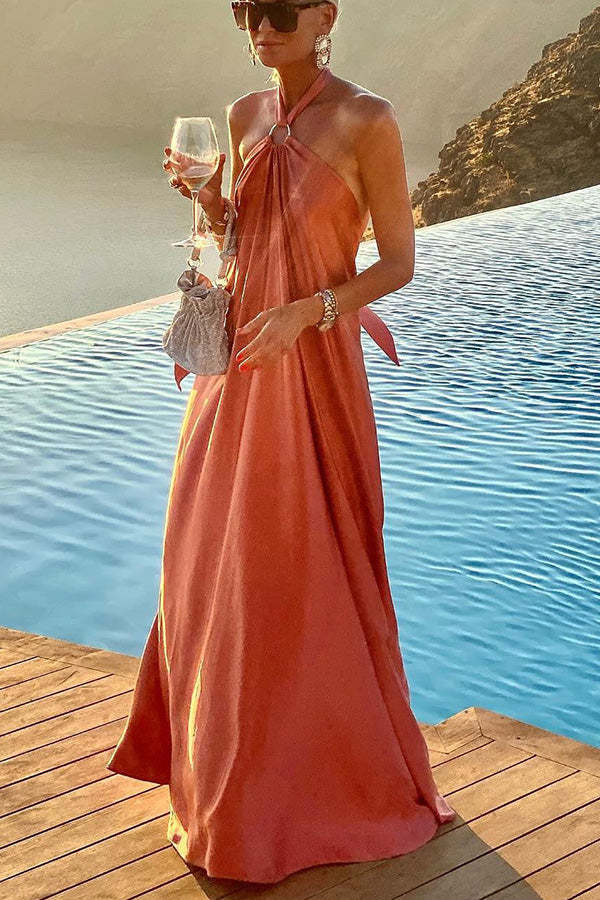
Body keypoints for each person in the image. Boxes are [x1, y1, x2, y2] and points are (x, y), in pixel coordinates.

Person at [106, 0, 456, 884]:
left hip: (313, 366)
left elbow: (399, 262)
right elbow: (236, 245)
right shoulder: (244, 114)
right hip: (236, 368)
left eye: (280, 9)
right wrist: (210, 202)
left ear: (325, 13)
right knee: (207, 562)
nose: (261, 25)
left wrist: (312, 311)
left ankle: (308, 788)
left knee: (297, 565)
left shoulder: (367, 119)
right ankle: (222, 780)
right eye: (245, 9)